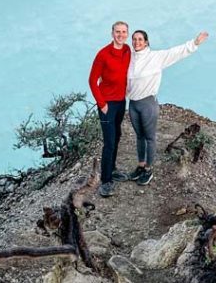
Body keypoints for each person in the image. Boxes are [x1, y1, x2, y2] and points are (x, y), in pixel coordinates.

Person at [126, 29, 209, 185]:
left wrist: (194, 43)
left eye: (140, 39)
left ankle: (148, 170)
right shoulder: (129, 59)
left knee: (149, 137)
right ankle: (141, 166)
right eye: (134, 39)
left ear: (146, 42)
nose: (137, 42)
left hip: (148, 104)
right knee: (139, 137)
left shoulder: (155, 57)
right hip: (133, 104)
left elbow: (175, 53)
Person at [88, 20, 131, 198]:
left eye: (123, 32)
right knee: (109, 142)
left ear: (127, 34)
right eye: (117, 32)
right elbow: (92, 81)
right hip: (107, 104)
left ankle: (112, 169)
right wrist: (102, 104)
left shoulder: (127, 50)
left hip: (121, 102)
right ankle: (105, 181)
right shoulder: (103, 54)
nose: (120, 35)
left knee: (118, 135)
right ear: (112, 33)